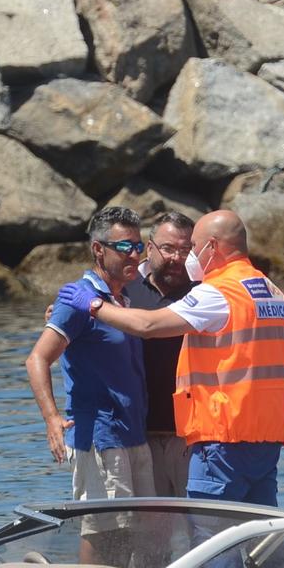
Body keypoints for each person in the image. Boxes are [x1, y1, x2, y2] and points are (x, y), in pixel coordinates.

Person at [65, 209, 284, 512]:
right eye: (171, 248)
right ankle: (274, 563)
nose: (187, 257)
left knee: (211, 534)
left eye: (192, 248)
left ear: (211, 247)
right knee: (260, 530)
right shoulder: (271, 290)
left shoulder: (216, 293)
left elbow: (147, 326)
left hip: (221, 437)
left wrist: (92, 305)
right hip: (264, 437)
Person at [24, 205, 154, 567]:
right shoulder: (76, 299)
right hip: (100, 434)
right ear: (99, 250)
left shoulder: (121, 298)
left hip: (133, 433)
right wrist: (51, 419)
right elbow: (37, 359)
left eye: (139, 247)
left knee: (139, 531)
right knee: (104, 532)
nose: (135, 254)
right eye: (125, 247)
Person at [122, 210, 196, 498]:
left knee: (201, 524)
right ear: (149, 247)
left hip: (192, 434)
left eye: (186, 250)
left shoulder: (207, 291)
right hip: (140, 435)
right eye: (168, 248)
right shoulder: (122, 292)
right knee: (151, 532)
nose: (177, 257)